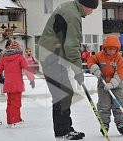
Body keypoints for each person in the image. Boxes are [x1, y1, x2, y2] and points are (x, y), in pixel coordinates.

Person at [38, 0, 98, 140]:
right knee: (62, 94)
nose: (91, 12)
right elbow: (71, 46)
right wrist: (78, 70)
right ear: (86, 5)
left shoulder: (71, 8)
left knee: (64, 93)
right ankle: (62, 131)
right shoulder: (73, 15)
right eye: (91, 9)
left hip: (52, 54)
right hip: (51, 55)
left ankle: (64, 129)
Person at [87, 35, 123, 136]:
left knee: (118, 104)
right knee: (104, 105)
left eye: (113, 49)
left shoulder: (119, 59)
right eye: (109, 49)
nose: (111, 51)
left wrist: (112, 84)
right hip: (102, 84)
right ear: (105, 48)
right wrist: (95, 68)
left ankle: (120, 123)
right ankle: (104, 124)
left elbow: (120, 73)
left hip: (116, 85)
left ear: (117, 49)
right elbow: (90, 60)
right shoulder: (100, 56)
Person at [0, 40, 35, 128]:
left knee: (10, 103)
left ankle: (10, 120)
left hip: (8, 84)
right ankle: (15, 120)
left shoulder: (4, 58)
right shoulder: (20, 57)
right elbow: (26, 68)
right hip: (17, 84)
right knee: (16, 103)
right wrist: (32, 79)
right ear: (19, 49)